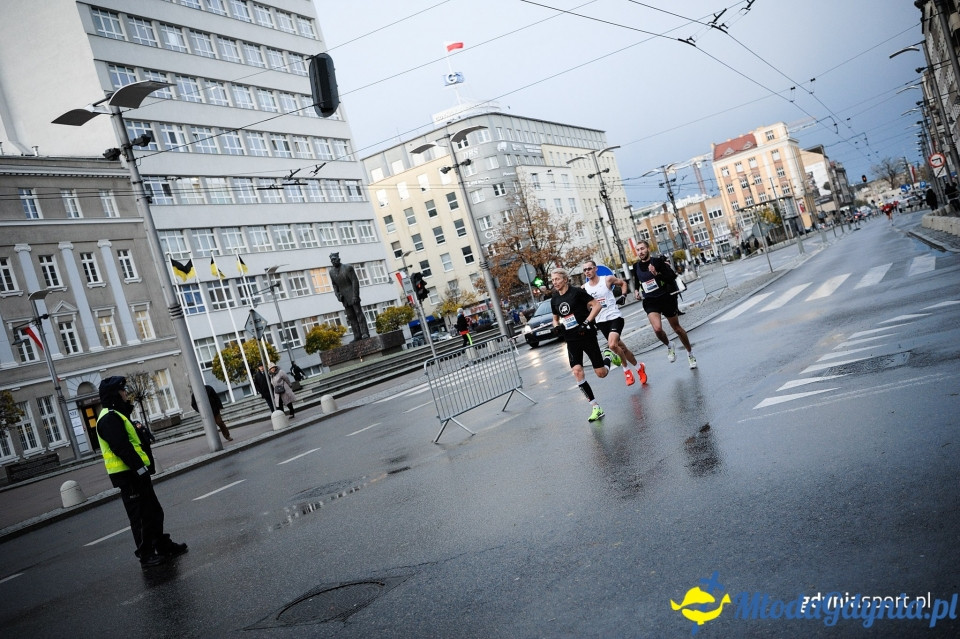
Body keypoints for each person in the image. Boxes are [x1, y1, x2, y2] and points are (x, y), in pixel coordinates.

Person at [96, 376, 187, 569]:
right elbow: (122, 448)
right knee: (140, 517)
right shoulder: (109, 418)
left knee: (153, 512)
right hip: (129, 476)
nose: (126, 392)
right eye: (123, 390)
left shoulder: (118, 414)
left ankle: (162, 545)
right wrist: (139, 469)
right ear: (114, 393)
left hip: (137, 474)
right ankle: (146, 555)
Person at [550, 267, 615, 423]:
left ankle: (609, 356)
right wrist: (556, 326)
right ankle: (595, 406)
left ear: (565, 279)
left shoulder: (576, 292)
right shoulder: (554, 299)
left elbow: (596, 306)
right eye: (553, 280)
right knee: (577, 371)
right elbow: (555, 318)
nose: (555, 283)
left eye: (557, 279)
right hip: (571, 339)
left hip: (586, 335)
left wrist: (587, 322)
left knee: (601, 373)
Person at [582, 259, 647, 387]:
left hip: (614, 317)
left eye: (589, 268)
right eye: (585, 270)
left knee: (612, 345)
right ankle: (639, 367)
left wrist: (623, 296)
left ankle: (626, 370)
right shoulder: (584, 288)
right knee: (622, 348)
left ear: (595, 269)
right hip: (601, 322)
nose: (587, 272)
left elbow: (623, 283)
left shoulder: (607, 279)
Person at [633, 240, 697, 369]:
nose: (640, 252)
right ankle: (669, 345)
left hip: (665, 298)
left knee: (677, 328)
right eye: (638, 250)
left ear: (648, 249)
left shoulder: (657, 262)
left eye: (642, 249)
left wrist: (657, 274)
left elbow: (671, 277)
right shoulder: (636, 266)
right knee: (657, 329)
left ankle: (690, 353)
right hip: (650, 300)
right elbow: (637, 280)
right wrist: (636, 290)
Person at [329, 252, 370, 341]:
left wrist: (355, 295)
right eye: (332, 260)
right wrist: (337, 294)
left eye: (334, 259)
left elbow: (355, 281)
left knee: (358, 313)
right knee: (351, 317)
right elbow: (334, 285)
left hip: (352, 294)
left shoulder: (347, 268)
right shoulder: (331, 272)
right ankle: (357, 335)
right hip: (344, 298)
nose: (333, 261)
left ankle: (365, 333)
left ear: (338, 259)